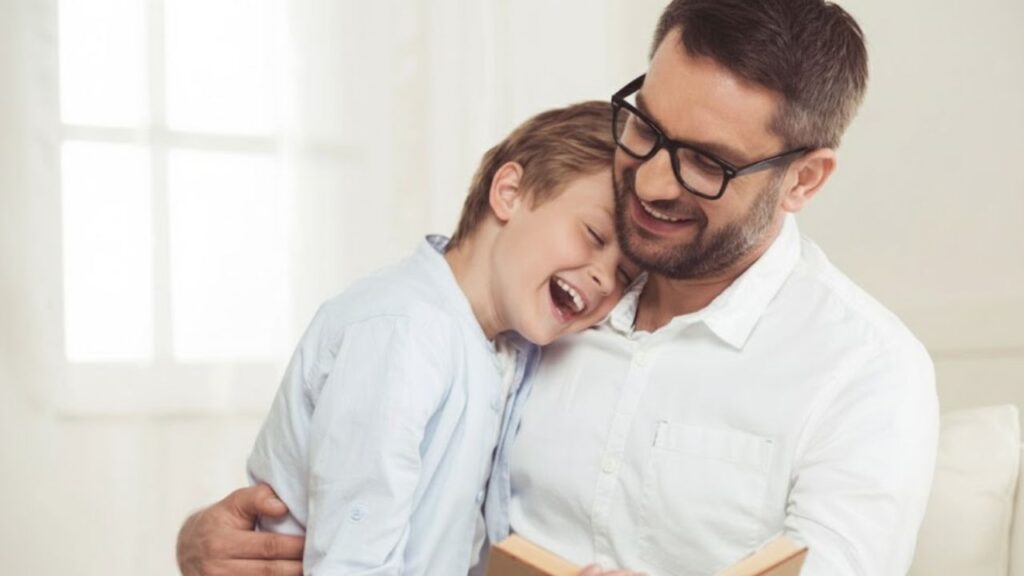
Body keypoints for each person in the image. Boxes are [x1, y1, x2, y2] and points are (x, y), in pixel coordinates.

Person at [177, 1, 939, 575]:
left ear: (803, 179)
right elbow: (377, 474)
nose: (650, 180)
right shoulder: (529, 318)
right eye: (646, 128)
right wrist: (213, 544)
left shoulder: (864, 372)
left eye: (706, 162)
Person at [229, 101, 640, 576]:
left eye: (625, 276)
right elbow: (352, 564)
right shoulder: (405, 333)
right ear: (509, 192)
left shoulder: (503, 351)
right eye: (593, 235)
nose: (606, 280)